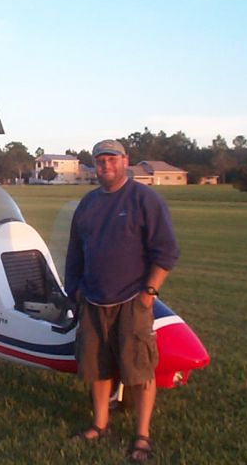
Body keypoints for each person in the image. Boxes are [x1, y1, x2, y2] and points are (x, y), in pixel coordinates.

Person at [65, 139, 179, 462]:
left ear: (125, 161)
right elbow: (75, 252)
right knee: (96, 367)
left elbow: (166, 251)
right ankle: (99, 425)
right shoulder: (87, 204)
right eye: (100, 161)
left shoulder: (145, 199)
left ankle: (142, 436)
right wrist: (75, 290)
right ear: (95, 165)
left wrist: (149, 294)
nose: (106, 166)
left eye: (112, 160)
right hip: (93, 300)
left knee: (140, 369)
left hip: (133, 300)